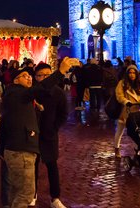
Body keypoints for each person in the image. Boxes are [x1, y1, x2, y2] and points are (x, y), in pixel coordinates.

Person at [32, 58, 81, 208]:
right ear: (36, 77)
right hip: (33, 136)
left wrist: (54, 127)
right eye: (41, 75)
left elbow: (63, 113)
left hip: (49, 134)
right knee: (31, 167)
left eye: (48, 74)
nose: (44, 78)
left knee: (52, 167)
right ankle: (32, 194)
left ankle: (55, 198)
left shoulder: (58, 93)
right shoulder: (33, 91)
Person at [0, 67, 40, 208]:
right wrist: (61, 72)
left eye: (29, 75)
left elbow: (4, 124)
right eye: (24, 75)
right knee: (26, 193)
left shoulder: (12, 95)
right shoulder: (18, 93)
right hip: (21, 151)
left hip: (14, 149)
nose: (29, 78)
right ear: (16, 80)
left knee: (18, 190)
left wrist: (2, 147)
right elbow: (40, 88)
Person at [114, 65, 140, 158]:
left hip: (137, 112)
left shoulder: (139, 85)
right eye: (130, 73)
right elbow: (119, 95)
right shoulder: (122, 83)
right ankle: (116, 148)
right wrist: (126, 101)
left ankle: (137, 151)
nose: (132, 75)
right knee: (120, 131)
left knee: (136, 132)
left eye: (134, 73)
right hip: (126, 111)